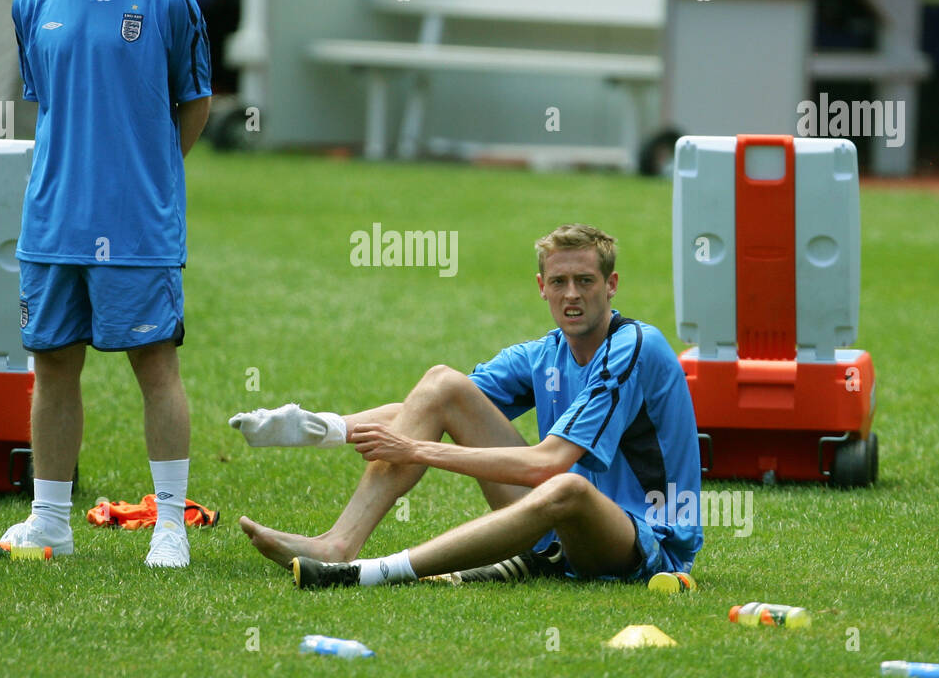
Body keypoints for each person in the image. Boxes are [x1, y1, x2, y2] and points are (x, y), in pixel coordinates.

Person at [230, 224, 703, 589]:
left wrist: (418, 452)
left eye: (585, 280)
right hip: (556, 529)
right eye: (559, 282)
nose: (572, 294)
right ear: (541, 286)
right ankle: (337, 546)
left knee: (567, 489)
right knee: (442, 383)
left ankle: (372, 573)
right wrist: (319, 427)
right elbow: (426, 407)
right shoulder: (544, 353)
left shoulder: (636, 346)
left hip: (644, 545)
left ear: (612, 284)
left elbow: (550, 463)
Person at [1, 0, 212, 568]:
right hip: (52, 223)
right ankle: (50, 521)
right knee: (52, 366)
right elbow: (52, 103)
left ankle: (171, 527)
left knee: (156, 367)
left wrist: (147, 175)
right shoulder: (32, 0)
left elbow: (196, 101)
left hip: (137, 227)